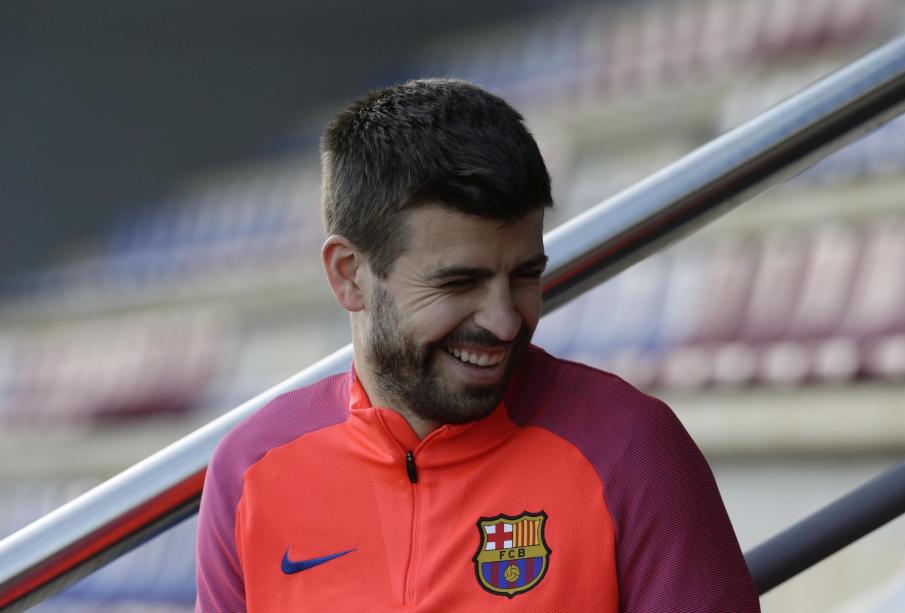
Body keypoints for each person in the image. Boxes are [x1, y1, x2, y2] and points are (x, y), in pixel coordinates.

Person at [195, 78, 761, 612]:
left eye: (523, 276)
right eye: (459, 283)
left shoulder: (628, 448)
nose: (504, 322)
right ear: (348, 275)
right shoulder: (250, 470)